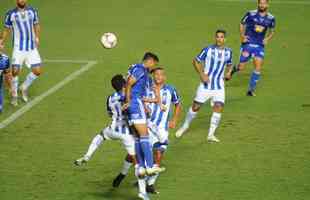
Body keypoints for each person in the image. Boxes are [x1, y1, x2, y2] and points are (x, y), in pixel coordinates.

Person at [74, 74, 136, 187]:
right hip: (127, 133)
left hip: (113, 129)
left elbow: (109, 113)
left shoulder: (110, 98)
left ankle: (87, 155)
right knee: (137, 159)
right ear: (124, 84)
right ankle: (142, 186)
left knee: (101, 135)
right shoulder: (129, 95)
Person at [176, 30, 233, 142]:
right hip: (206, 85)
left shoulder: (229, 52)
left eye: (221, 37)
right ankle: (185, 126)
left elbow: (230, 64)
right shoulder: (208, 49)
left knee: (219, 107)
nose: (219, 39)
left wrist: (229, 72)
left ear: (225, 39)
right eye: (217, 37)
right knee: (196, 107)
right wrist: (202, 74)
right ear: (215, 38)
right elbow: (196, 61)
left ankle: (210, 135)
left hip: (219, 86)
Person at [144, 67, 181, 194]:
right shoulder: (147, 89)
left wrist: (174, 120)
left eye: (161, 74)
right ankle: (143, 177)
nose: (159, 76)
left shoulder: (171, 90)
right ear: (153, 76)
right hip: (147, 127)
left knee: (159, 154)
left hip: (162, 128)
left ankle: (150, 184)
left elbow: (177, 104)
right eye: (156, 74)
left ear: (165, 77)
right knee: (146, 156)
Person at [0, 0, 43, 105]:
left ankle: (24, 87)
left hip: (31, 47)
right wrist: (1, 41)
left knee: (37, 71)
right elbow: (6, 29)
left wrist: (37, 37)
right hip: (18, 48)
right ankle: (14, 95)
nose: (22, 0)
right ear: (17, 1)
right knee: (15, 71)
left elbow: (36, 24)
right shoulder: (11, 14)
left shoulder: (32, 11)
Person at [230, 0, 276, 96]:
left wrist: (267, 39)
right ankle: (232, 70)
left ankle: (251, 90)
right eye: (260, 3)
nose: (262, 5)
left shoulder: (271, 18)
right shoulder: (250, 14)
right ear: (258, 4)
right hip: (248, 43)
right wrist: (242, 36)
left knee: (258, 66)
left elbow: (272, 31)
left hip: (259, 45)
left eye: (264, 3)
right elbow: (242, 23)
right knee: (241, 67)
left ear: (267, 4)